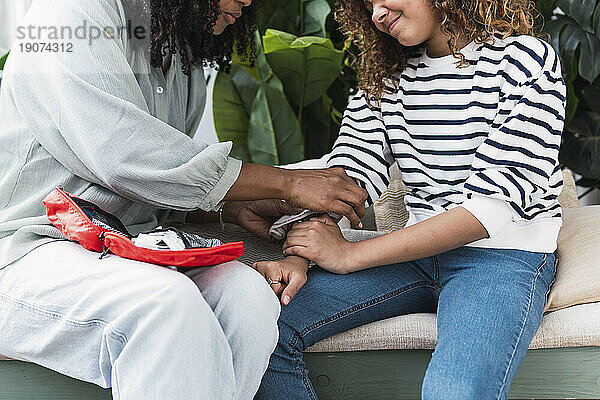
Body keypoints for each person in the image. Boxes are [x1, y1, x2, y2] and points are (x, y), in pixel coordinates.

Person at [0, 0, 368, 399]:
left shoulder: (179, 50)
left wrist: (228, 204)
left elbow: (149, 189)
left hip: (126, 250)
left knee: (248, 298)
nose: (248, 3)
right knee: (165, 306)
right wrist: (287, 183)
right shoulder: (69, 12)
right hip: (25, 250)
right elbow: (123, 155)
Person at [253, 0, 566, 398]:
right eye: (367, 5)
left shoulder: (525, 60)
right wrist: (300, 256)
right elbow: (344, 178)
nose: (377, 14)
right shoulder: (385, 77)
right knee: (258, 329)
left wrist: (349, 255)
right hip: (414, 257)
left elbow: (491, 211)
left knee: (454, 393)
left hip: (501, 255)